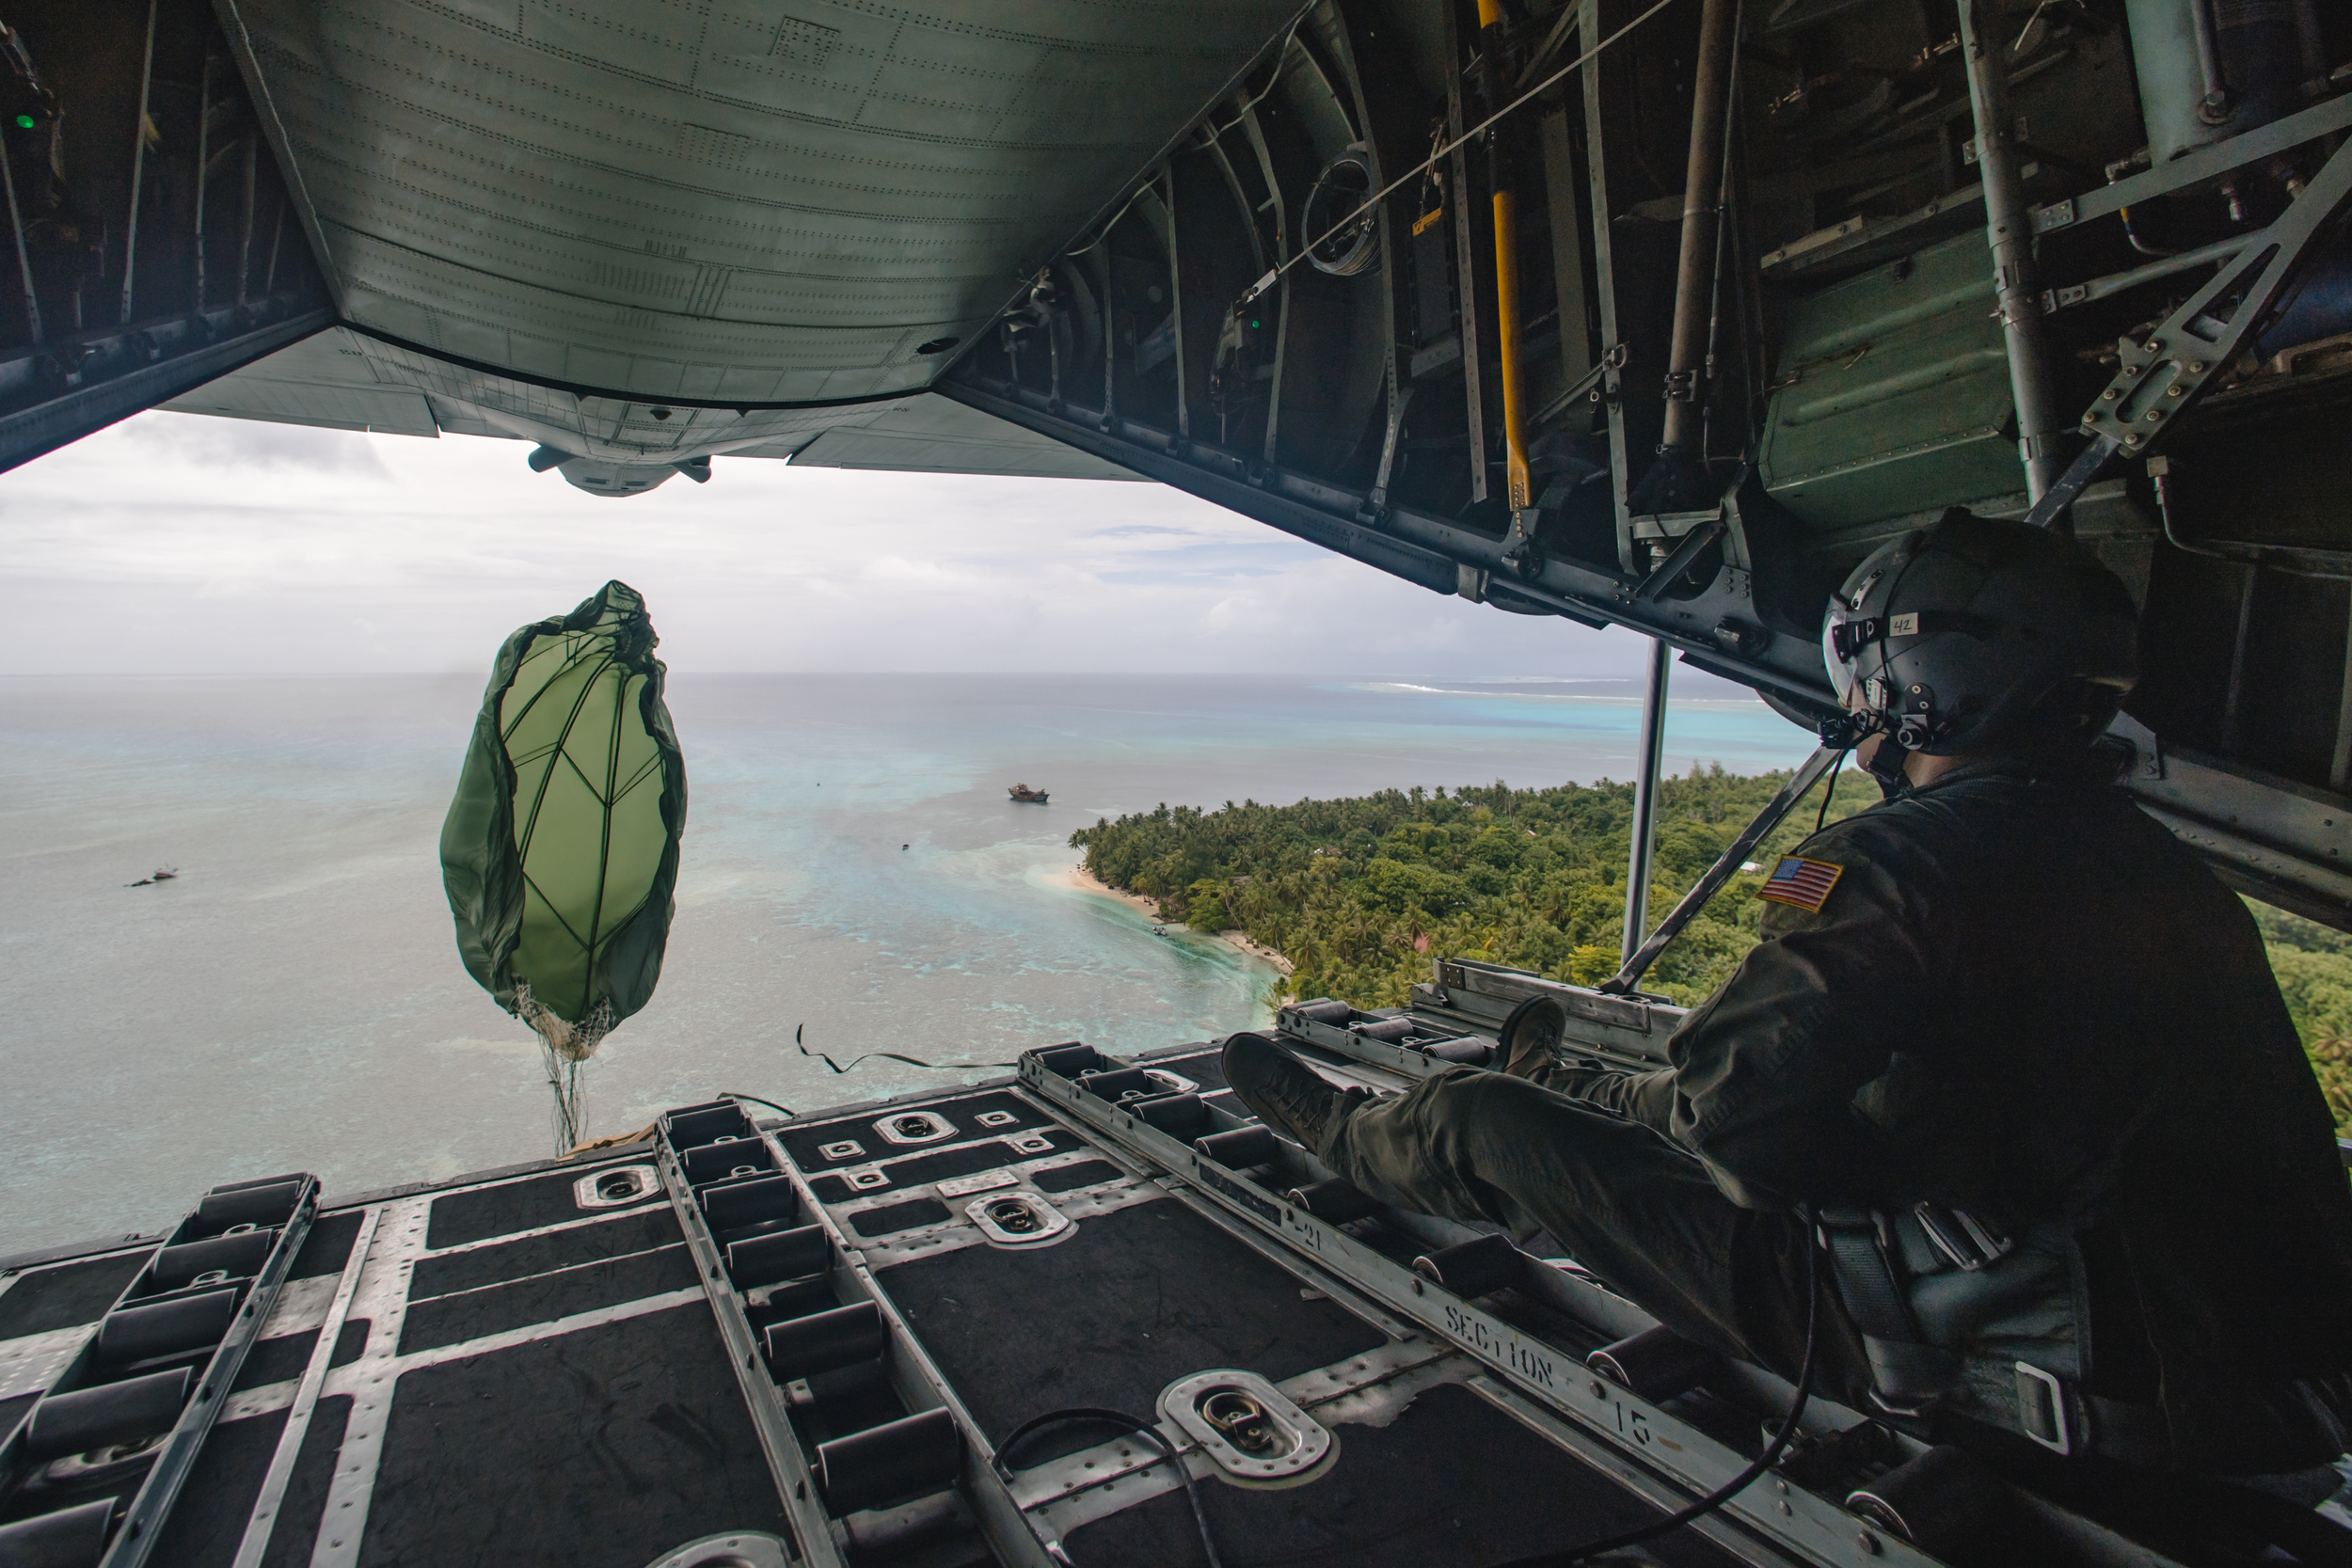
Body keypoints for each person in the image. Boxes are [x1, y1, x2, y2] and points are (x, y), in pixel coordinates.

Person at [1222, 511, 2352, 1504]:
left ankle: (1346, 1129)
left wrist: (1869, 1174)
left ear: (1916, 684)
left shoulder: (1890, 863)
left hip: (2016, 1369)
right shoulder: (2175, 875)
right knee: (1732, 1085)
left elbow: (1726, 1117)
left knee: (1479, 1118)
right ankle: (1559, 1077)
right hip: (2252, 1408)